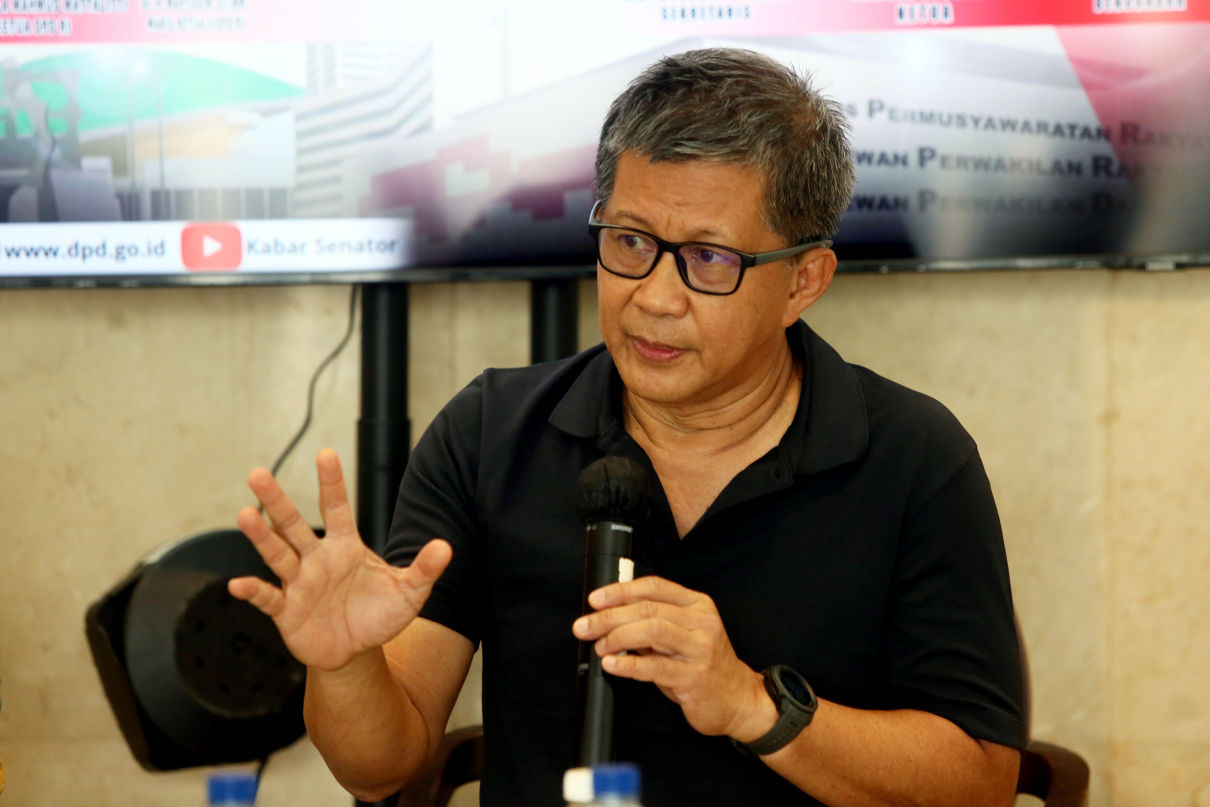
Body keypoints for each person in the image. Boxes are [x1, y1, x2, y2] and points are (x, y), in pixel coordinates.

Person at [229, 48, 1026, 806]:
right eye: (631, 242)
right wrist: (345, 665)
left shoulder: (915, 458)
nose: (654, 296)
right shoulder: (490, 433)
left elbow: (980, 783)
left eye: (709, 258)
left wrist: (751, 704)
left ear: (803, 281)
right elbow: (380, 766)